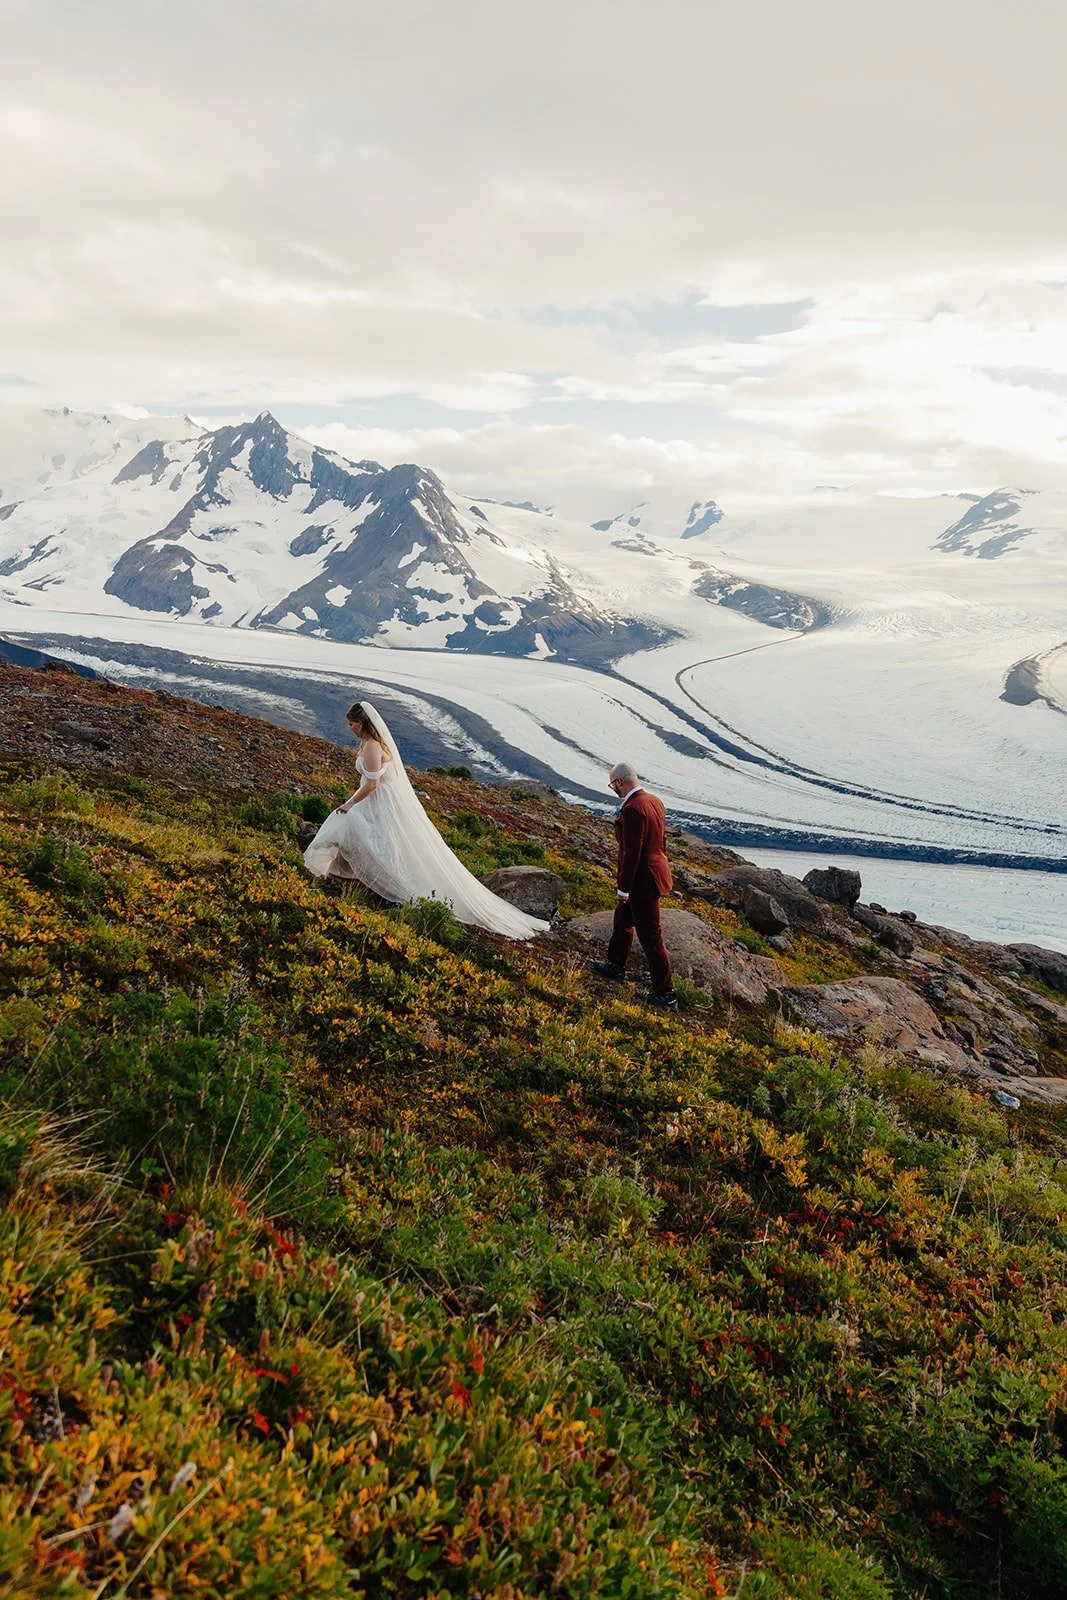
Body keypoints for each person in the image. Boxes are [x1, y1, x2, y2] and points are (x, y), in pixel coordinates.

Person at [303, 701, 548, 940]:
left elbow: (372, 784)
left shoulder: (372, 747)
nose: (350, 729)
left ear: (362, 723)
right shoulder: (372, 743)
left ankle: (346, 874)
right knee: (366, 833)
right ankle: (343, 873)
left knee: (353, 825)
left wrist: (349, 804)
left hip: (378, 799)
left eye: (351, 724)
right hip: (378, 799)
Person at [593, 761, 677, 1011]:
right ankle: (616, 965)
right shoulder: (654, 801)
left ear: (619, 782)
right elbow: (660, 840)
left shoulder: (632, 808)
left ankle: (666, 992)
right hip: (654, 873)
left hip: (642, 882)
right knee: (622, 921)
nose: (614, 790)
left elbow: (632, 853)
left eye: (613, 785)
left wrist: (623, 889)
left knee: (651, 937)